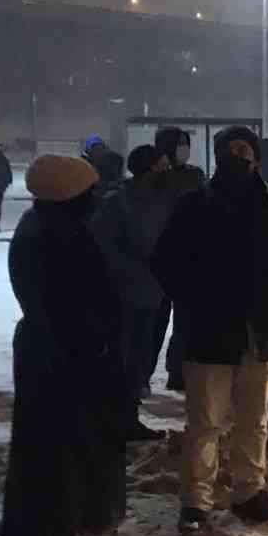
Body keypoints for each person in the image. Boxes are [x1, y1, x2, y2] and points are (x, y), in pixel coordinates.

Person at [151, 126, 268, 536]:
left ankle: (249, 490)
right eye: (230, 149)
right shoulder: (194, 205)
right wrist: (194, 299)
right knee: (203, 422)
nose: (238, 156)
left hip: (261, 330)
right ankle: (196, 501)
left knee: (253, 420)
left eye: (245, 149)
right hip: (210, 331)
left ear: (256, 157)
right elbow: (165, 261)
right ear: (219, 155)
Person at [0, 155, 127, 536]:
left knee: (48, 445)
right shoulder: (61, 238)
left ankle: (54, 529)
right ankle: (62, 530)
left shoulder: (39, 227)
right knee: (67, 448)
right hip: (70, 353)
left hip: (49, 350)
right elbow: (83, 301)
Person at [91, 144, 174, 442]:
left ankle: (128, 418)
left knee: (139, 359)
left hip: (152, 292)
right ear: (146, 169)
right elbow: (103, 248)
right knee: (120, 360)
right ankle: (111, 421)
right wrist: (134, 267)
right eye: (162, 167)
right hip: (123, 294)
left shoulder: (162, 201)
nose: (167, 172)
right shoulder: (117, 203)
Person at [154, 127, 206, 393]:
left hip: (189, 257)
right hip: (160, 257)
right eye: (179, 144)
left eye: (187, 144)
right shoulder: (155, 177)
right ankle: (142, 374)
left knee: (185, 321)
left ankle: (177, 371)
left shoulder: (195, 175)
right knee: (155, 321)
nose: (184, 149)